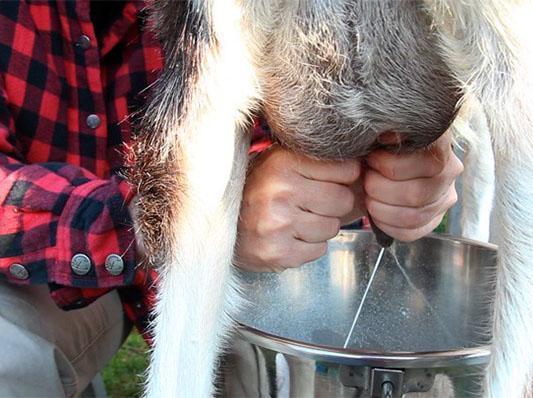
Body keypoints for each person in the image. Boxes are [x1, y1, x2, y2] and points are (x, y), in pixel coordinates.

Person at [0, 1, 463, 396]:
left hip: (220, 258)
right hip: (33, 269)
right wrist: (184, 215)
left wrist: (384, 183)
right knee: (8, 355)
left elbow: (283, 132)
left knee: (304, 367)